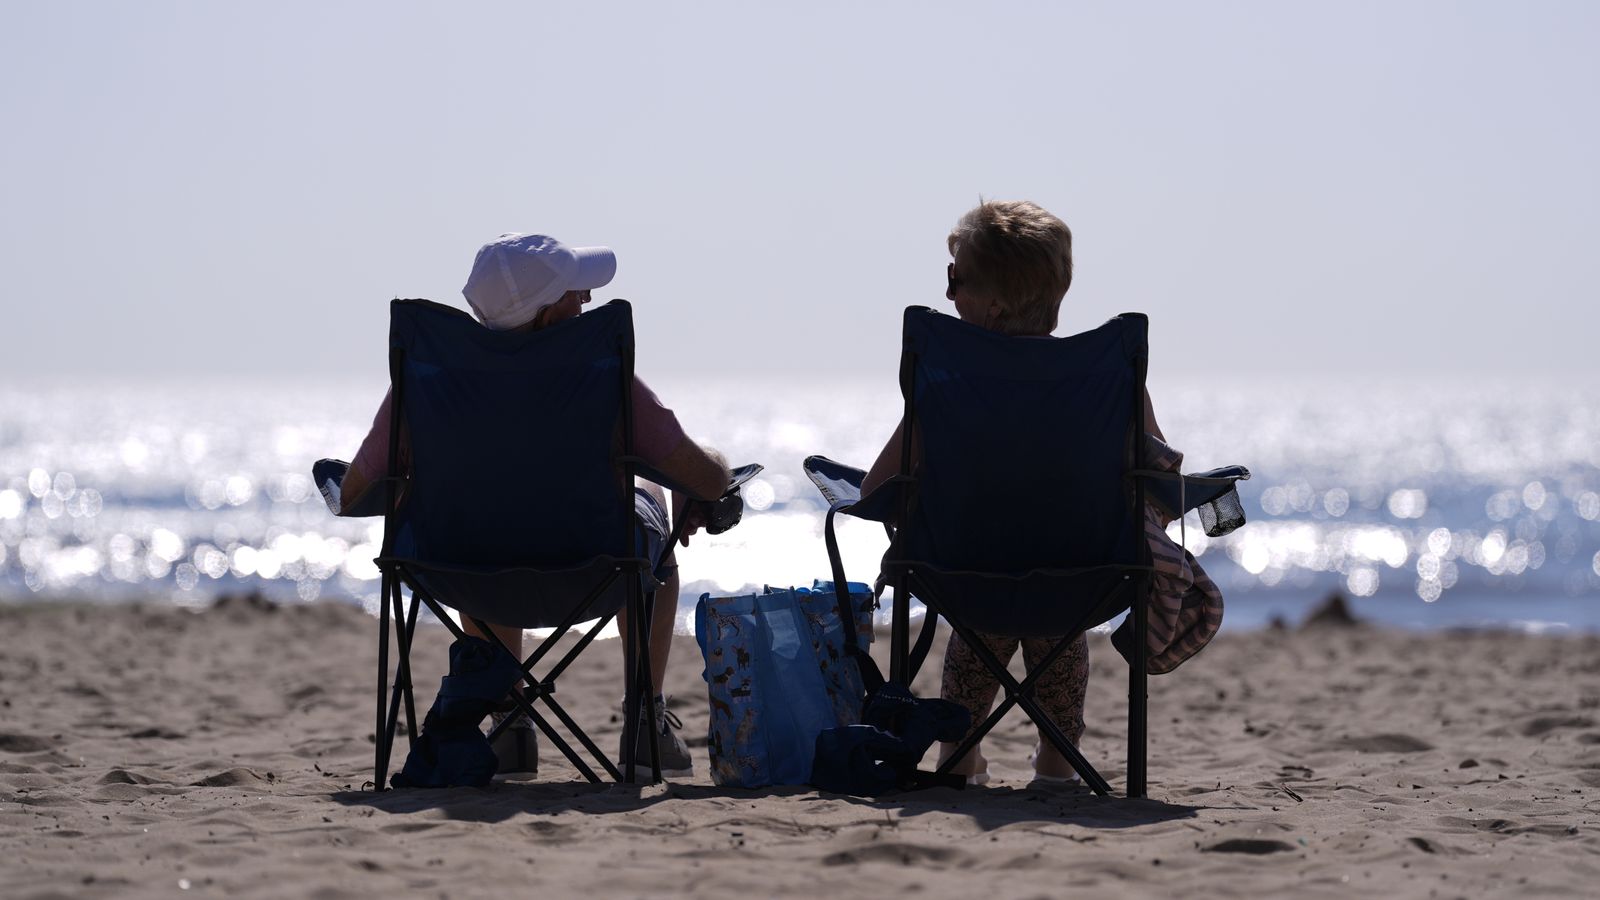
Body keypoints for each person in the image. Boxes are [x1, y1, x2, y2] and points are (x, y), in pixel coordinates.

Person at [341, 233, 730, 780]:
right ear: (549, 315)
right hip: (597, 569)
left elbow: (354, 491)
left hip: (462, 574)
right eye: (576, 293)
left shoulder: (429, 377)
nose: (587, 303)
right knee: (652, 504)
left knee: (481, 520)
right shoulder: (602, 374)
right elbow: (707, 477)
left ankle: (510, 722)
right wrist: (706, 471)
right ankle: (646, 720)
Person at [860, 201, 1165, 785]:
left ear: (993, 303)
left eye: (956, 279)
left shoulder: (948, 378)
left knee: (982, 612)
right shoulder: (1108, 376)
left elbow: (879, 486)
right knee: (1057, 614)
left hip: (965, 571)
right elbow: (1154, 467)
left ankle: (958, 751)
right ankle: (1057, 761)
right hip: (1084, 572)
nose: (948, 295)